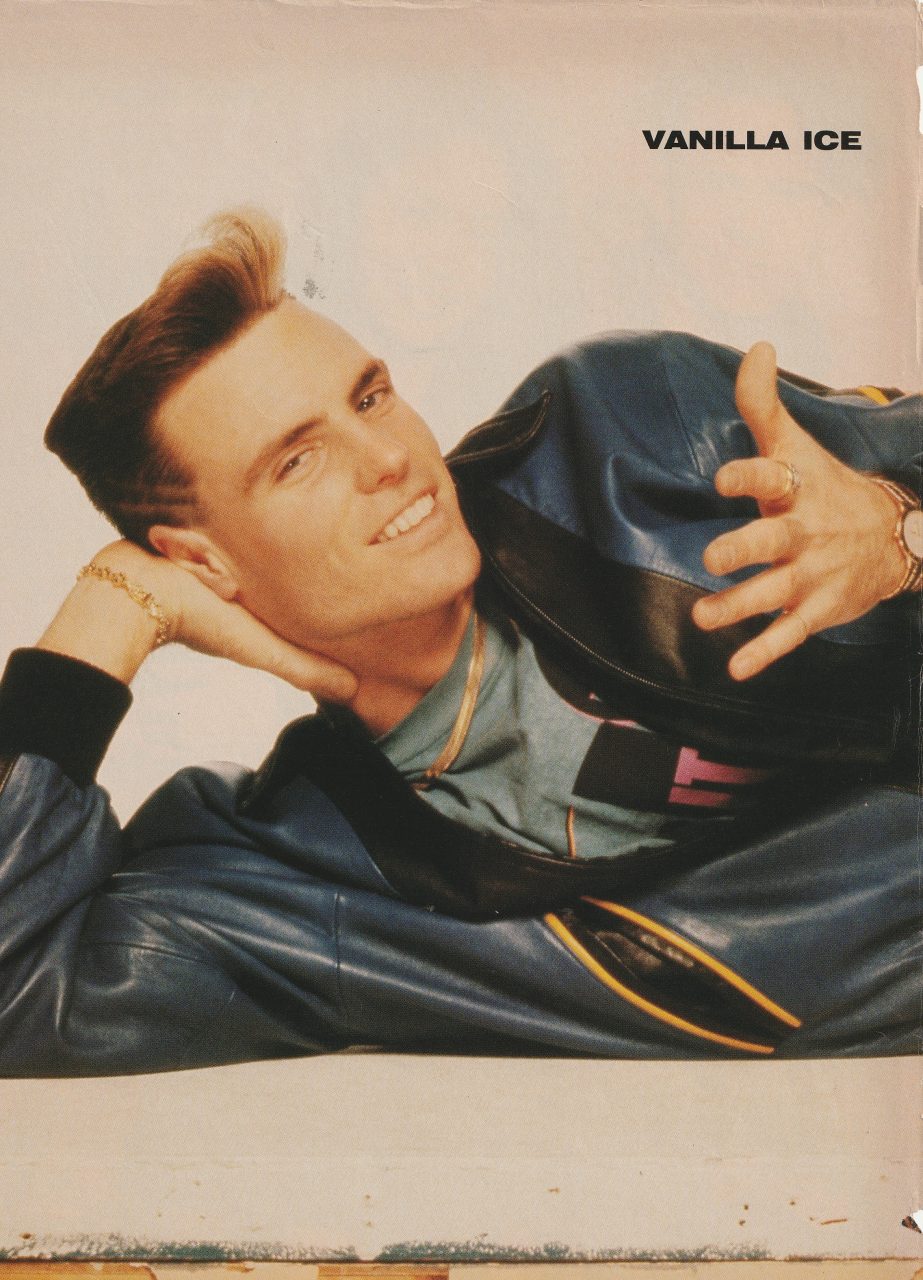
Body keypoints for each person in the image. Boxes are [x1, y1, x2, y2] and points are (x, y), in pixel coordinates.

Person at [0, 209, 919, 1076]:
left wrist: (900, 535)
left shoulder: (626, 435)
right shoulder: (289, 881)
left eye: (370, 397)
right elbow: (18, 991)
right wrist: (108, 610)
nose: (389, 457)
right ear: (202, 562)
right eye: (298, 459)